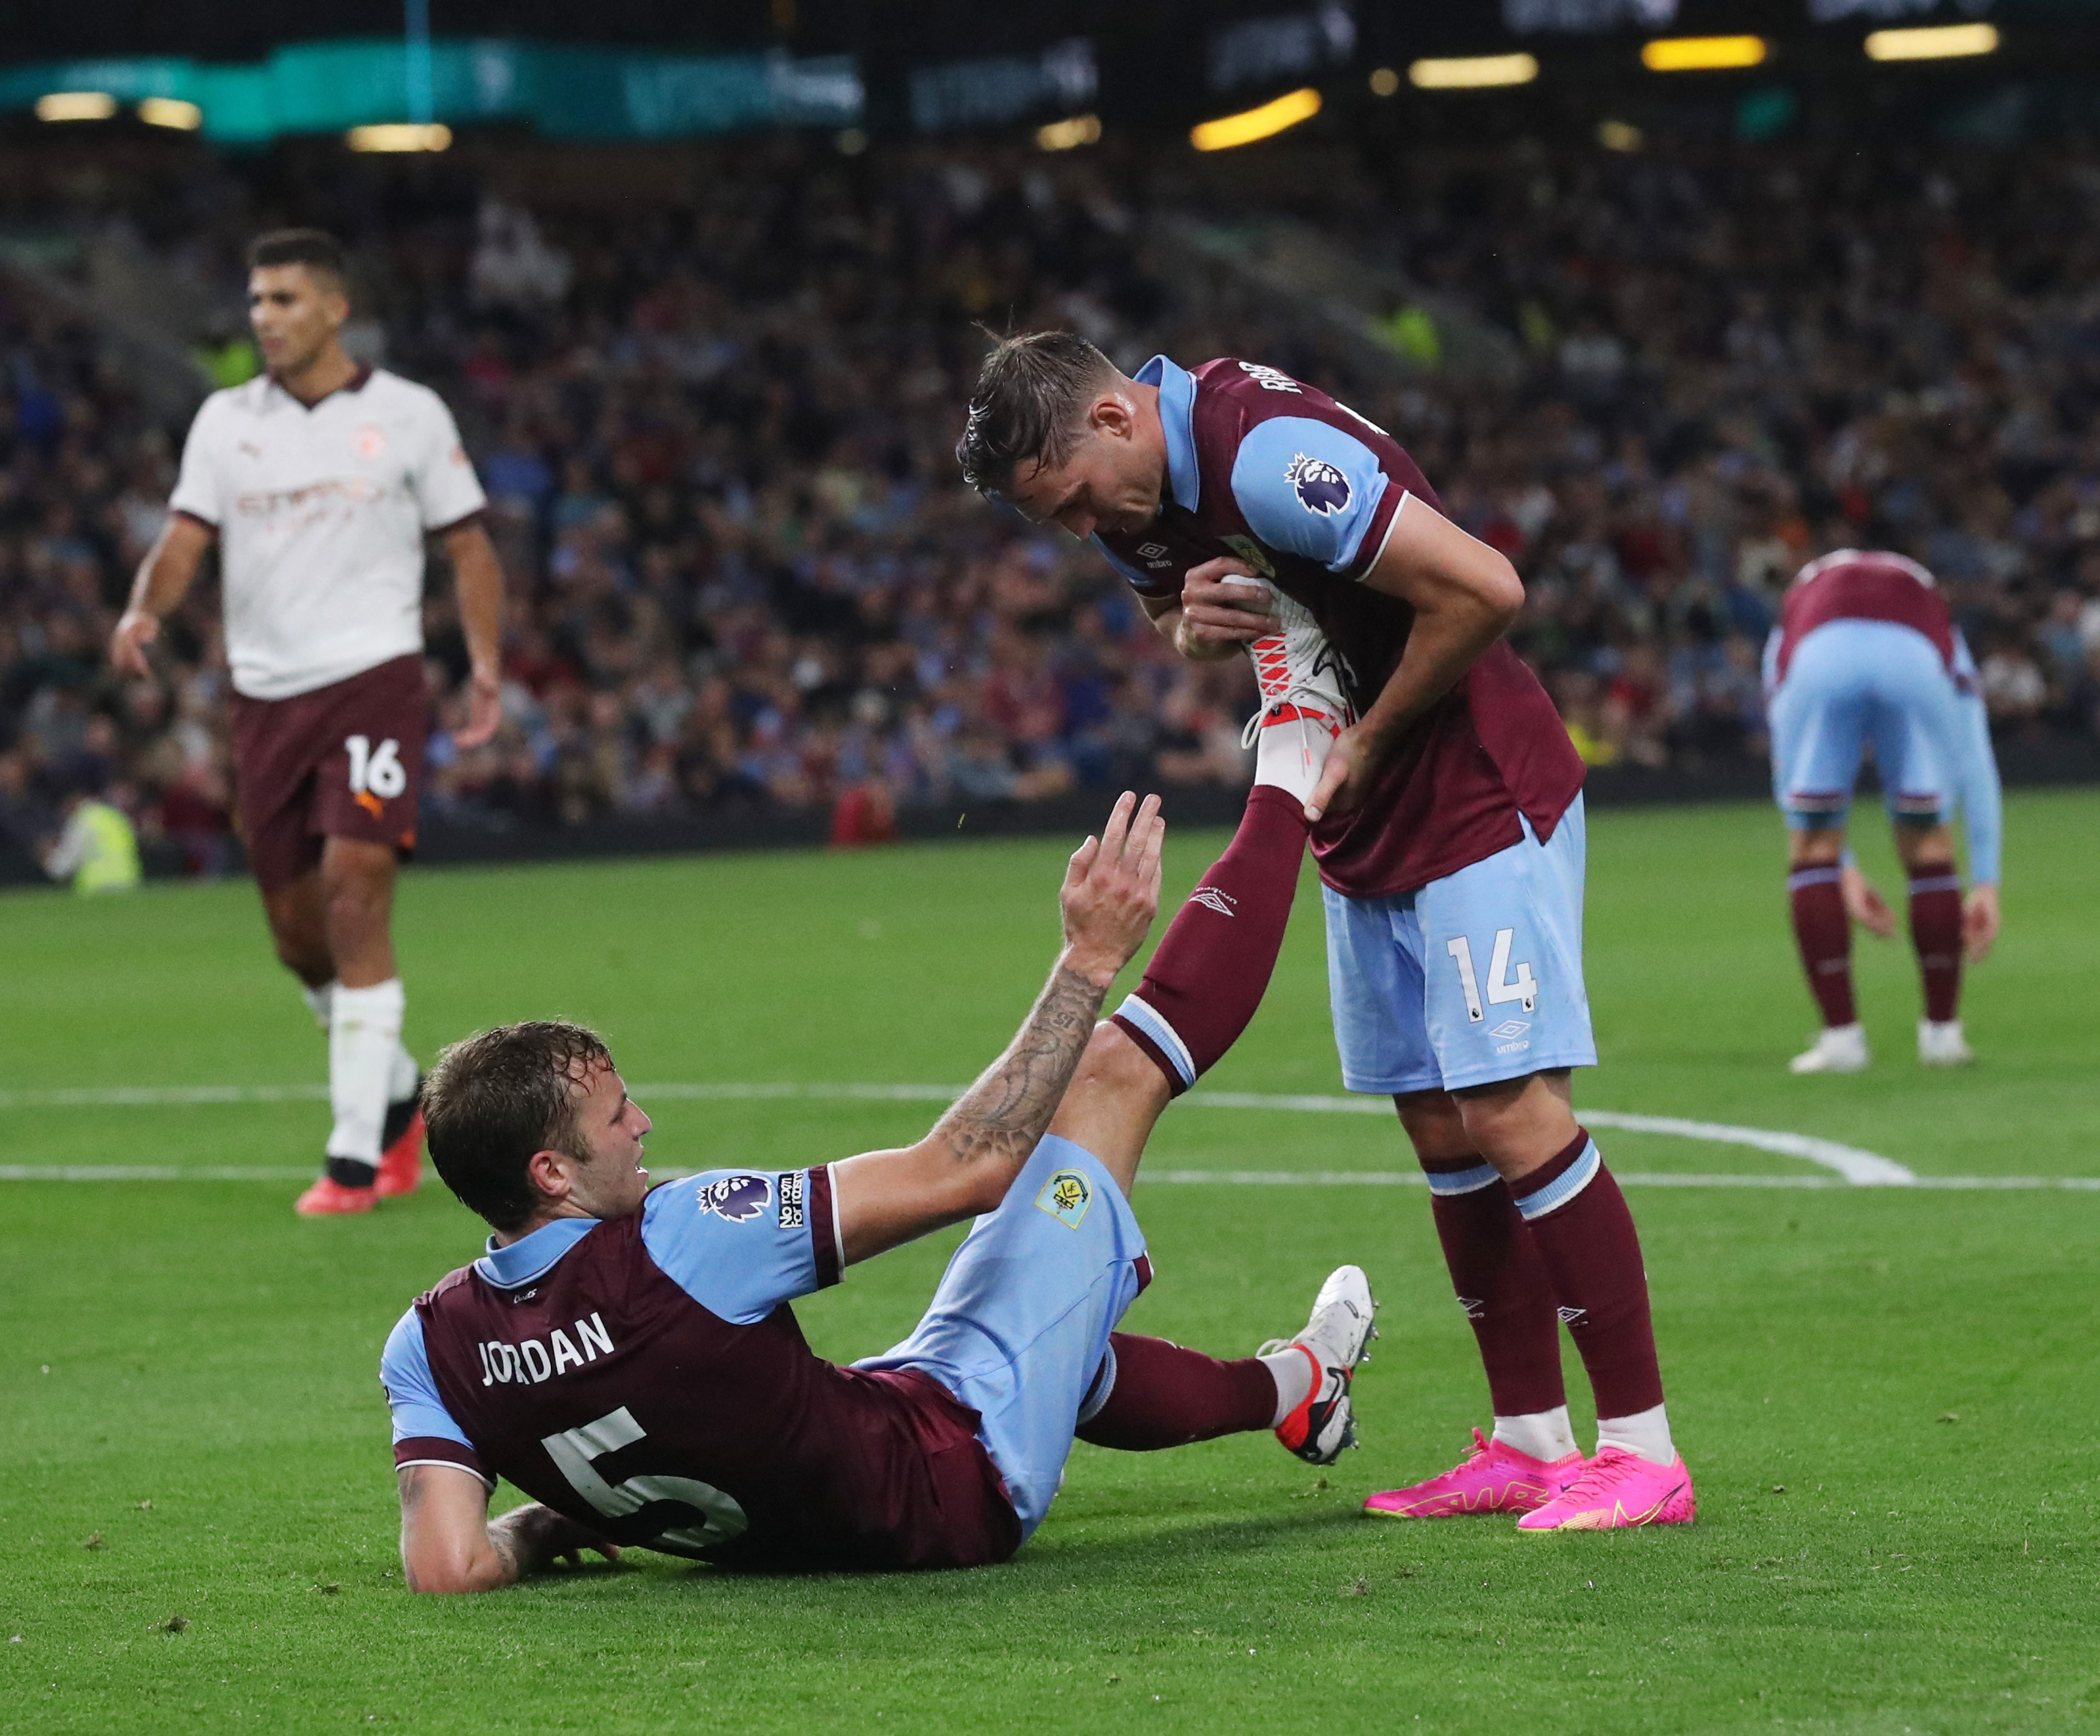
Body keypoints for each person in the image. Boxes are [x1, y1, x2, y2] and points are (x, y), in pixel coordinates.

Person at [956, 332, 1690, 1532]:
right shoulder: (1125, 493)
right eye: (1058, 520)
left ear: (1108, 416)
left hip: (1471, 790)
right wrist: (1188, 624)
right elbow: (1181, 615)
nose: (1081, 525)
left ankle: (1645, 1449)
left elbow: (1488, 590)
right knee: (1439, 1117)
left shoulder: (1265, 453)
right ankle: (1525, 1437)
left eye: (1079, 497)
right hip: (1364, 813)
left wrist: (1362, 740)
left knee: (1507, 1103)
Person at [382, 791, 1380, 1585]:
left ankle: (1296, 1388)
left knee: (1051, 1345)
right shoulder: (675, 1240)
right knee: (1110, 1072)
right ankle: (1291, 778)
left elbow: (448, 1566)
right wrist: (1089, 958)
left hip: (837, 1463)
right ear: (549, 1173)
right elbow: (971, 1168)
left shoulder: (428, 1343)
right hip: (958, 1471)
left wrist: (548, 1529)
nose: (642, 1125)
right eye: (615, 1117)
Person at [112, 228, 507, 1217]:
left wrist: (486, 665)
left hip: (371, 678)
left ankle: (350, 1158)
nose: (263, 319)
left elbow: (468, 548)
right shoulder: (222, 423)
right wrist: (144, 609)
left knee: (354, 888)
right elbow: (183, 536)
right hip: (264, 697)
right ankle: (397, 1093)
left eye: (282, 300)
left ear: (334, 308)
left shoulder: (408, 414)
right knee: (298, 938)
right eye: (254, 302)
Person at [1763, 549, 2003, 1073]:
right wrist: (1986, 881)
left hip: (1820, 655)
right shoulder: (1935, 613)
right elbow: (1974, 757)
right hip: (1912, 660)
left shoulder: (1795, 609)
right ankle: (1942, 1035)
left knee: (1810, 847)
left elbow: (1787, 769)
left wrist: (1838, 868)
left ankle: (1842, 1040)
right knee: (1927, 839)